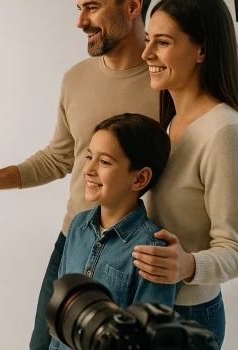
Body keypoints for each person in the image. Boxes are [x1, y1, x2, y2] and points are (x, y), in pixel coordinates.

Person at [0, 1, 156, 348]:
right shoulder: (76, 78)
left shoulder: (167, 82)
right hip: (74, 239)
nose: (80, 21)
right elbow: (59, 156)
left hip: (134, 254)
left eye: (92, 7)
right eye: (78, 7)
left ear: (132, 5)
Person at [135, 0, 238, 348]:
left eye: (162, 42)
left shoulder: (224, 133)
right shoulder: (173, 120)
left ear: (202, 49)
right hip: (148, 307)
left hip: (186, 318)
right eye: (148, 39)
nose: (145, 53)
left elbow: (235, 253)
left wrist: (187, 265)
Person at [49, 113, 174, 350]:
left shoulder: (153, 250)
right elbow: (60, 315)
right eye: (89, 157)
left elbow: (150, 341)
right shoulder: (77, 226)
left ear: (139, 178)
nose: (88, 169)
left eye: (104, 162)